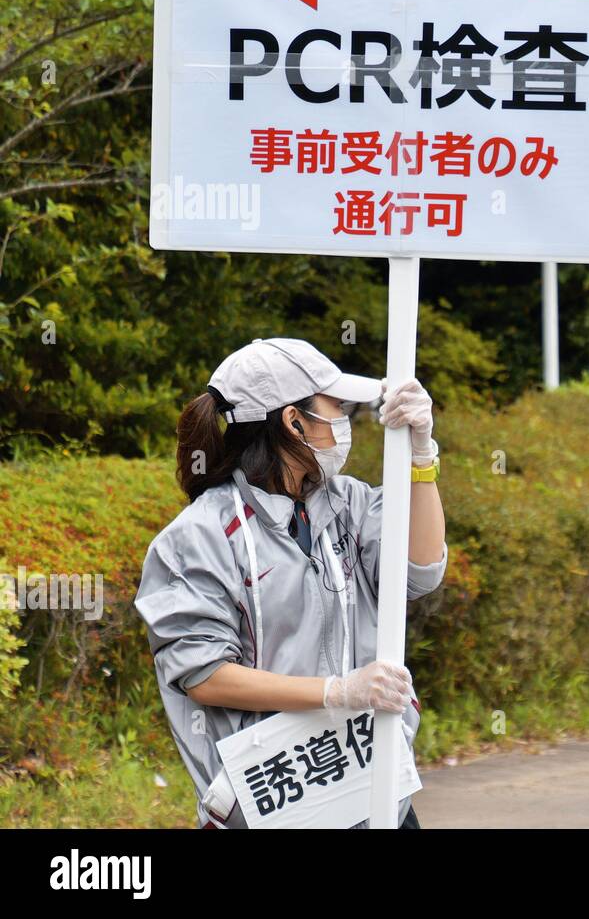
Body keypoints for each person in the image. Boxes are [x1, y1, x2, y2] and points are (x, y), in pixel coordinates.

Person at [133, 337, 447, 829]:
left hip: (375, 795)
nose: (344, 421)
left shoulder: (350, 503)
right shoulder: (198, 536)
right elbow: (206, 676)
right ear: (293, 421)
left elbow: (420, 572)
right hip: (275, 805)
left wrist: (422, 455)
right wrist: (338, 691)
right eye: (335, 408)